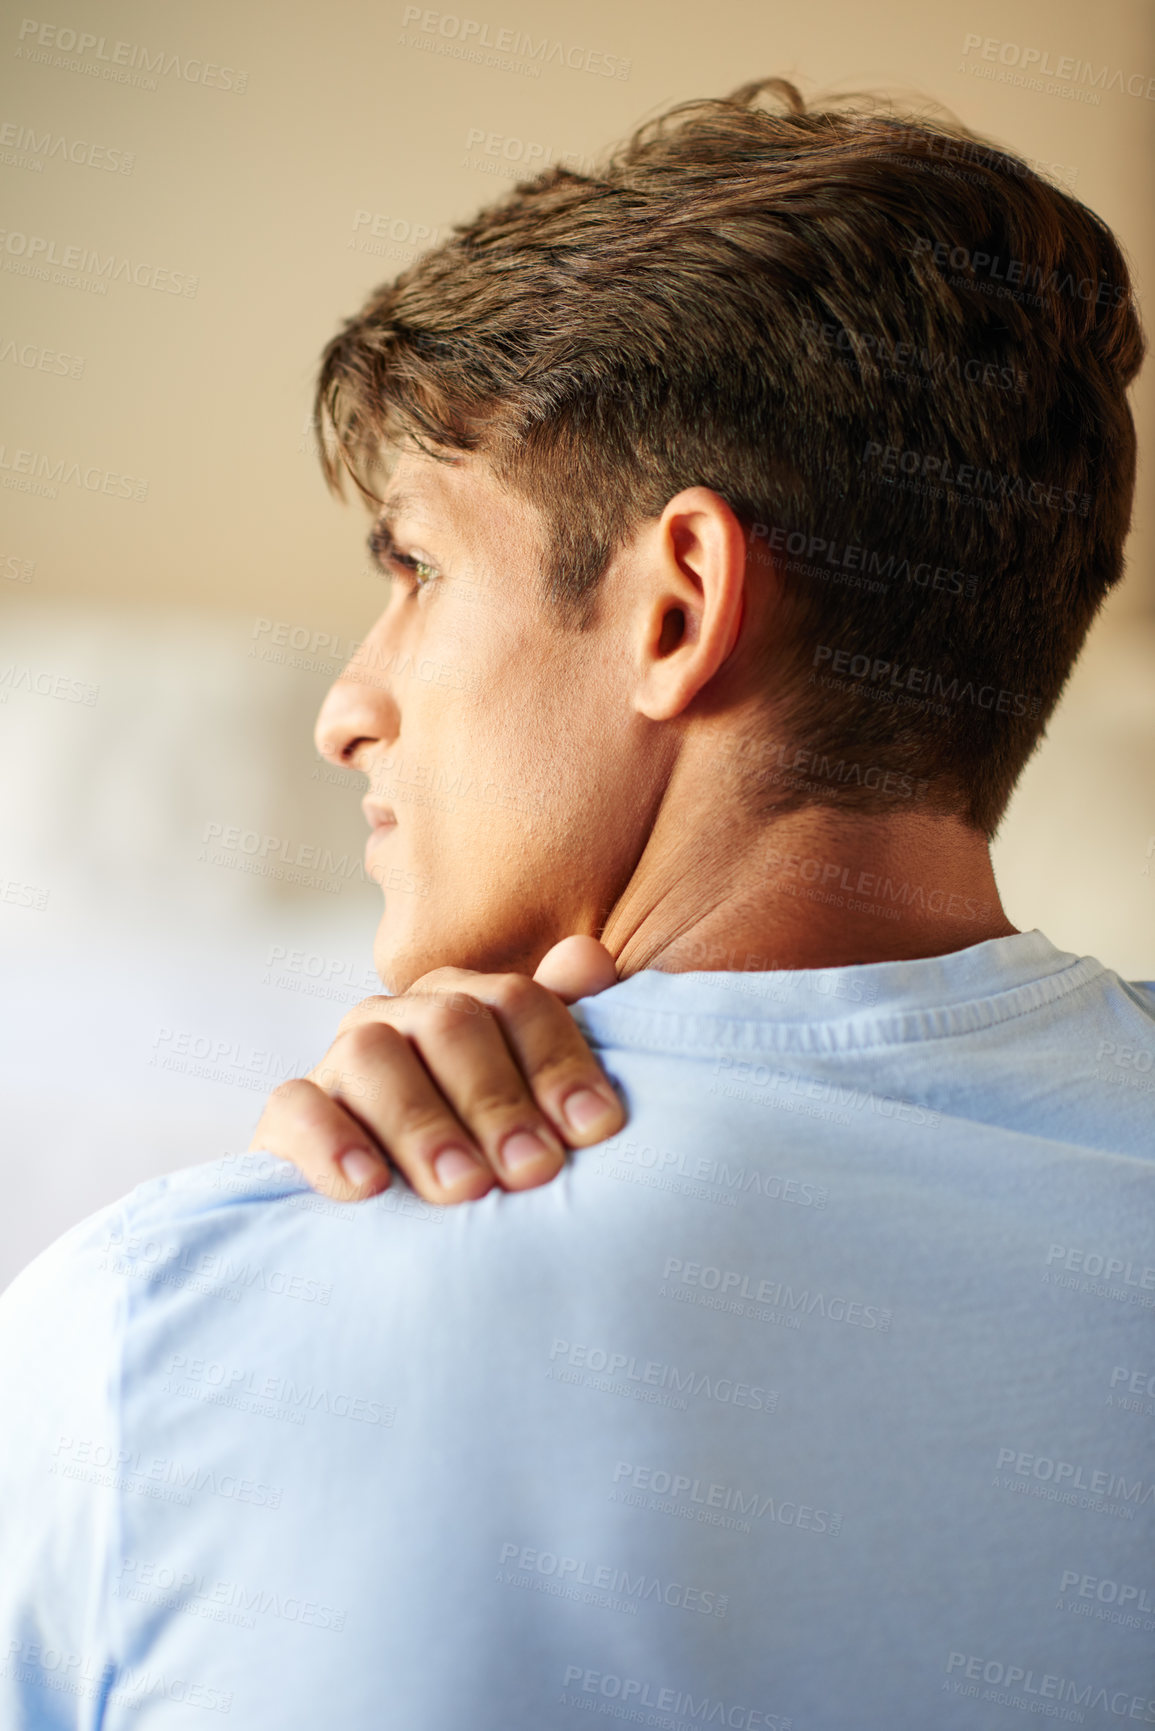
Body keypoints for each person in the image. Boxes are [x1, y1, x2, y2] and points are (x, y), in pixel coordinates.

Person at [1, 76, 1152, 1730]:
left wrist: (269, 1289)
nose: (348, 707)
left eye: (414, 568)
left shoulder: (158, 1332)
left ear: (678, 606)